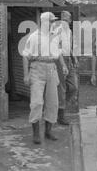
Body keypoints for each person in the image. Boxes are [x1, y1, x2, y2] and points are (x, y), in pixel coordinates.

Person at [22, 12, 69, 144]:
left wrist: (63, 65)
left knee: (53, 102)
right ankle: (36, 134)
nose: (53, 23)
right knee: (37, 103)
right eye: (50, 21)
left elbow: (58, 52)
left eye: (53, 21)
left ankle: (48, 131)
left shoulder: (55, 35)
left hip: (51, 69)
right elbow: (25, 56)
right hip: (37, 69)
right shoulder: (34, 37)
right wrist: (26, 75)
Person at [54, 11, 79, 125]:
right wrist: (63, 64)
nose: (68, 20)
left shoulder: (69, 30)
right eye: (67, 18)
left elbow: (69, 46)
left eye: (68, 18)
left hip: (68, 58)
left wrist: (74, 57)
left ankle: (61, 107)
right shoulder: (57, 29)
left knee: (73, 87)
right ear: (63, 17)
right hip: (60, 60)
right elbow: (57, 47)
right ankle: (61, 115)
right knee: (62, 88)